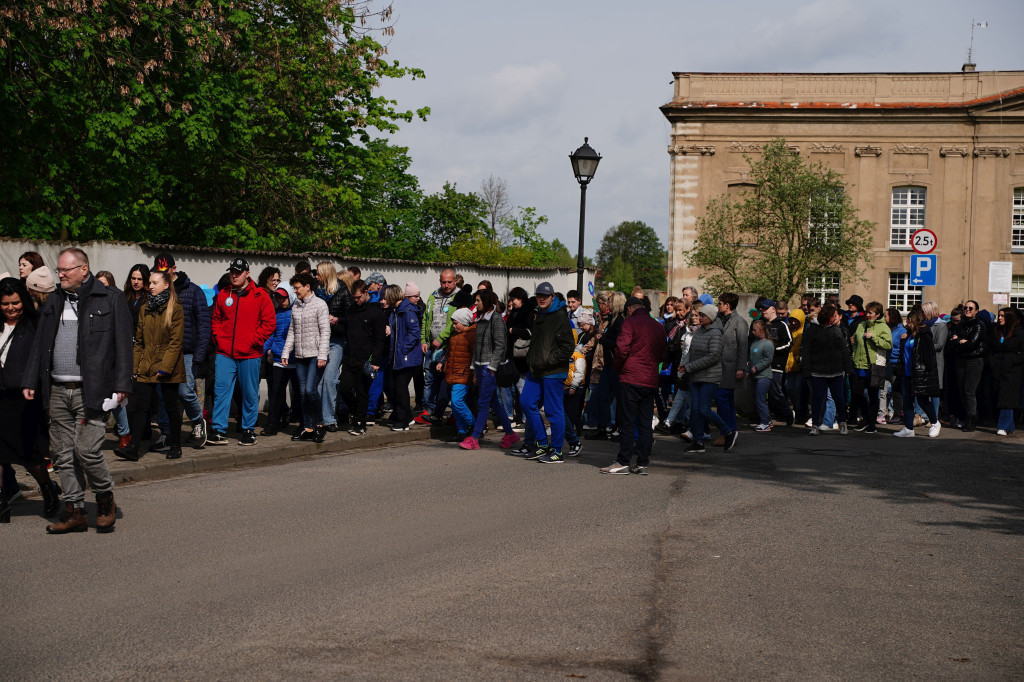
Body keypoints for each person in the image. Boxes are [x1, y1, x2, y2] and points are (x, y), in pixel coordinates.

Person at [23, 247, 133, 533]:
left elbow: (123, 345)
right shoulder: (54, 301)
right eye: (59, 270)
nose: (60, 275)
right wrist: (29, 380)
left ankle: (105, 499)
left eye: (65, 270)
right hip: (57, 390)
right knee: (62, 453)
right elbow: (39, 344)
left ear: (84, 269)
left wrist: (122, 386)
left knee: (87, 450)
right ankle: (74, 510)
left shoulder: (110, 298)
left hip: (93, 390)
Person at [0, 278, 61, 523]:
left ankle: (47, 488)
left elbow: (41, 362)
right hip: (0, 396)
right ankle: (1, 501)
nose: (11, 308)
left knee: (31, 455)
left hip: (24, 400)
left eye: (15, 303)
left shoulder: (34, 324)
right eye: (5, 304)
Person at [208, 258, 277, 446]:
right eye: (232, 272)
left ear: (247, 274)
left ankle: (248, 429)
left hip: (250, 354)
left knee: (249, 393)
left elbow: (270, 323)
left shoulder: (260, 295)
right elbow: (216, 318)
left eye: (238, 272)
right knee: (221, 391)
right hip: (225, 353)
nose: (234, 275)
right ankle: (219, 430)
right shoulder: (223, 294)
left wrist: (254, 341)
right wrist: (218, 338)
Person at [599, 296, 668, 474]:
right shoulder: (658, 326)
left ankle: (623, 461)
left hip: (631, 377)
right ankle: (643, 462)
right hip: (650, 378)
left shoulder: (629, 323)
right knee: (645, 422)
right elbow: (663, 354)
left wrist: (619, 367)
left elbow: (621, 349)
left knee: (627, 421)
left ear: (629, 309)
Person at [126, 269, 186, 460]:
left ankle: (175, 445)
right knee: (140, 407)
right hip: (147, 364)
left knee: (170, 407)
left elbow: (176, 342)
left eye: (154, 283)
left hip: (168, 367)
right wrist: (135, 368)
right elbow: (139, 342)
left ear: (166, 285)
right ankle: (133, 448)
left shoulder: (175, 308)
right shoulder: (145, 308)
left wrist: (165, 368)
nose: (149, 286)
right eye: (149, 283)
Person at [153, 253, 210, 448]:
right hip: (163, 351)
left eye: (166, 271)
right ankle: (166, 433)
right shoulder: (158, 291)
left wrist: (200, 354)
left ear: (174, 269)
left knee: (185, 391)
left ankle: (197, 422)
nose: (163, 275)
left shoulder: (193, 291)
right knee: (162, 394)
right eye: (159, 272)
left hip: (187, 351)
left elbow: (203, 323)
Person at [460, 290, 520, 451]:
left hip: (489, 368)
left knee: (483, 402)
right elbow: (477, 347)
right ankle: (510, 433)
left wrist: (492, 367)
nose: (476, 304)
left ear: (486, 302)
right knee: (494, 401)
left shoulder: (496, 320)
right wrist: (474, 369)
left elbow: (500, 345)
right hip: (480, 366)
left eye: (478, 301)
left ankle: (475, 437)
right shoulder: (480, 319)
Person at [679, 303, 737, 453]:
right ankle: (698, 442)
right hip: (696, 376)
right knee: (696, 410)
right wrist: (685, 366)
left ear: (711, 317)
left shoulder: (716, 333)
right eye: (700, 315)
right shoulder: (699, 331)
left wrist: (690, 367)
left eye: (703, 315)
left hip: (709, 377)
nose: (700, 317)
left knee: (704, 409)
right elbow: (691, 352)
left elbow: (713, 356)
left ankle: (728, 432)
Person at [282, 271, 330, 443]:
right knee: (302, 394)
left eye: (297, 288)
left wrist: (322, 355)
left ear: (307, 287)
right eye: (294, 288)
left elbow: (325, 331)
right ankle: (308, 427)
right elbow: (292, 332)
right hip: (301, 355)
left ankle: (320, 425)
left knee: (311, 390)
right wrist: (286, 352)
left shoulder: (320, 304)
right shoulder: (296, 305)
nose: (294, 291)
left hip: (316, 356)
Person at [339, 280, 387, 435]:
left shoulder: (376, 312)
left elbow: (379, 339)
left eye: (358, 297)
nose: (356, 300)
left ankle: (360, 422)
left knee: (362, 391)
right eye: (354, 298)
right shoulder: (352, 309)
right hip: (350, 356)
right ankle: (357, 413)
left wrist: (376, 361)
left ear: (366, 292)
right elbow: (346, 325)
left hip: (366, 359)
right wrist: (336, 320)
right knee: (345, 387)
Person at [800, 303, 853, 436]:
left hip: (835, 371)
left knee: (839, 398)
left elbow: (844, 349)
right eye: (833, 316)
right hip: (817, 371)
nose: (836, 318)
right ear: (827, 317)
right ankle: (815, 425)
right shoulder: (813, 329)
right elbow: (805, 350)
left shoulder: (836, 329)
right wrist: (806, 370)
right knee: (818, 398)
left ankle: (842, 423)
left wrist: (848, 367)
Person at [418, 269, 458, 423]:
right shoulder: (433, 296)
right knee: (429, 378)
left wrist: (441, 338)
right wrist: (423, 340)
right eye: (443, 282)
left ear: (455, 281)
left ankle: (448, 412)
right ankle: (428, 409)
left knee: (446, 381)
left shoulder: (458, 298)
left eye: (449, 282)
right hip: (431, 346)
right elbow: (426, 320)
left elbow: (456, 323)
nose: (446, 285)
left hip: (448, 347)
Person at [894, 310, 941, 438]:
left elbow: (929, 356)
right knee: (907, 401)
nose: (907, 324)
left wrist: (928, 374)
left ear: (914, 321)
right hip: (906, 373)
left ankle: (935, 423)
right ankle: (909, 428)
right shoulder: (909, 335)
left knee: (923, 401)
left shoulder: (925, 335)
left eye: (909, 321)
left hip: (920, 373)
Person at [848, 301, 892, 433]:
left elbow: (888, 344)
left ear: (877, 315)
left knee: (873, 395)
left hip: (874, 365)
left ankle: (871, 423)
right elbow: (857, 343)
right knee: (857, 393)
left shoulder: (883, 327)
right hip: (859, 364)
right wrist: (854, 342)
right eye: (867, 312)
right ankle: (866, 419)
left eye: (870, 313)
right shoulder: (861, 324)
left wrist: (873, 338)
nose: (867, 315)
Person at [387, 282, 424, 431]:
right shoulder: (396, 311)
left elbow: (414, 331)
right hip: (399, 356)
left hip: (406, 356)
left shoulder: (406, 310)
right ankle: (404, 417)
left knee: (401, 388)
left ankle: (402, 421)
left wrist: (403, 349)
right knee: (394, 386)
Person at [261, 287, 297, 436]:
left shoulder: (298, 312)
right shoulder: (275, 314)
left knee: (300, 394)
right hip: (278, 359)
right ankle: (272, 425)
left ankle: (303, 424)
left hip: (296, 360)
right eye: (279, 298)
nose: (281, 301)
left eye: (284, 297)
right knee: (275, 394)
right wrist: (262, 350)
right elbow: (271, 334)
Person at [323, 269, 355, 431]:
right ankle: (330, 415)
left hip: (340, 341)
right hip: (325, 340)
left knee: (335, 380)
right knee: (330, 381)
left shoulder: (344, 295)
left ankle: (337, 414)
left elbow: (351, 318)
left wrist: (337, 320)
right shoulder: (319, 292)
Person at [714, 292, 748, 442]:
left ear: (727, 305)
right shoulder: (717, 319)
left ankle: (725, 432)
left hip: (731, 367)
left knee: (721, 397)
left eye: (720, 303)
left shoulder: (739, 322)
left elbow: (743, 346)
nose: (718, 306)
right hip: (718, 366)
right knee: (726, 400)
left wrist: (741, 367)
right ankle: (731, 431)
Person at [950, 300, 986, 432]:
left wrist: (959, 341)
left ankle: (971, 420)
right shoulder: (961, 324)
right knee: (962, 391)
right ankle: (970, 416)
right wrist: (960, 341)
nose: (967, 310)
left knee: (969, 391)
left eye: (971, 308)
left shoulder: (979, 325)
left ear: (976, 311)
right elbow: (952, 340)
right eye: (966, 308)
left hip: (974, 360)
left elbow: (972, 344)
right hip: (961, 360)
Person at [443, 308, 476, 443]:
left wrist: (474, 372)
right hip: (454, 372)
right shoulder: (455, 335)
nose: (454, 326)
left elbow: (474, 355)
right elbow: (451, 353)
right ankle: (462, 431)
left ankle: (475, 425)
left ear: (464, 322)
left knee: (457, 402)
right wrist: (444, 365)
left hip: (464, 374)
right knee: (455, 404)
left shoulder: (471, 335)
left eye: (456, 323)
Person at [989, 308, 1023, 436]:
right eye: (999, 315)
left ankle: (1003, 425)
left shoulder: (1019, 333)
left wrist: (1011, 360)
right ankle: (1010, 425)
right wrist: (992, 361)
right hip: (997, 369)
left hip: (1012, 371)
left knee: (1007, 399)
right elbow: (991, 348)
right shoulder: (997, 331)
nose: (1000, 318)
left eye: (1003, 315)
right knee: (998, 396)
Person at [748, 319, 775, 431]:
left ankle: (765, 422)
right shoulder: (755, 342)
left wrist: (756, 367)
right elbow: (751, 359)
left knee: (760, 399)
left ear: (761, 330)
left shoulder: (768, 344)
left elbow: (768, 359)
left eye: (755, 330)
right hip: (755, 376)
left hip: (764, 376)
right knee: (756, 398)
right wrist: (748, 370)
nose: (753, 332)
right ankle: (766, 420)